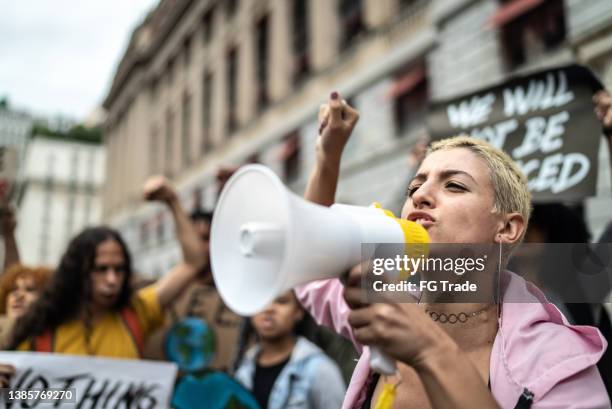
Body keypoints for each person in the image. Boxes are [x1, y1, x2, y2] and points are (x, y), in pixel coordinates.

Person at [295, 91, 609, 408]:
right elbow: (309, 267)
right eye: (414, 188)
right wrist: (327, 155)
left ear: (507, 228)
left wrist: (429, 348)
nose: (420, 197)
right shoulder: (385, 308)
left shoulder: (557, 362)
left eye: (454, 185)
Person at [6, 175, 206, 358]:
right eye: (101, 269)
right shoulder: (41, 328)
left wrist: (172, 201)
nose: (112, 280)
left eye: (119, 270)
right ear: (77, 271)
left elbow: (193, 263)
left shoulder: (137, 312)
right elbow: (19, 394)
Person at [234, 290, 345, 409]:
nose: (269, 308)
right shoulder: (243, 367)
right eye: (262, 300)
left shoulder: (320, 369)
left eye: (281, 301)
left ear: (299, 311)